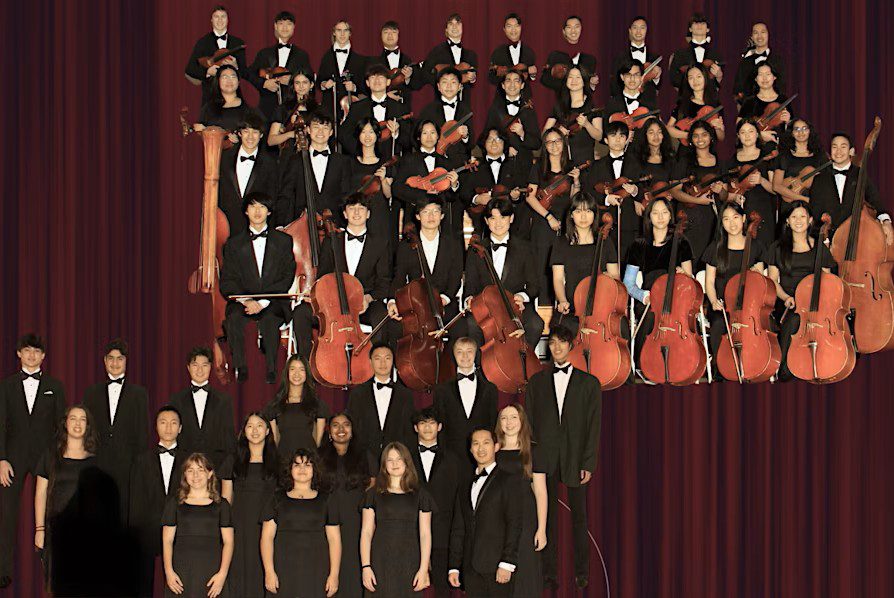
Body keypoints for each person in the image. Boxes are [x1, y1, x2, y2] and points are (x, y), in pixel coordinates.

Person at [524, 326, 602, 589]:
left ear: (571, 346)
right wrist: (534, 461)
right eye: (553, 343)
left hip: (575, 459)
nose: (556, 348)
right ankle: (549, 573)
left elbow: (594, 426)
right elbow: (530, 424)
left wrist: (588, 463)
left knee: (580, 518)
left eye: (561, 343)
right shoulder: (536, 382)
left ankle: (582, 572)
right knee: (546, 518)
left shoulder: (589, 383)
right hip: (544, 460)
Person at [0, 333, 66, 589]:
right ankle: (3, 570)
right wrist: (2, 459)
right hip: (12, 459)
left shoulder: (55, 386)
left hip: (46, 456)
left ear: (43, 356)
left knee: (51, 512)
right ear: (19, 353)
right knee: (6, 513)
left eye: (36, 351)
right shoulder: (5, 386)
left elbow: (62, 425)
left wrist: (57, 459)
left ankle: (53, 569)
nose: (31, 355)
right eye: (27, 350)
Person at [292, 193, 393, 356]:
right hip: (334, 303)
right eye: (352, 208)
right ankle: (308, 365)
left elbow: (384, 281)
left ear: (368, 214)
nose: (357, 212)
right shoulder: (332, 240)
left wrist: (367, 298)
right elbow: (323, 277)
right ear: (345, 214)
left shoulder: (380, 243)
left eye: (361, 208)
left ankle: (372, 370)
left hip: (364, 305)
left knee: (381, 317)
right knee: (301, 313)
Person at [219, 191, 297, 384]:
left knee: (270, 319)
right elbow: (228, 280)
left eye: (262, 207)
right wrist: (247, 301)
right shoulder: (233, 244)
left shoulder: (283, 241)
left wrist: (262, 302)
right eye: (253, 206)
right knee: (234, 319)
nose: (257, 211)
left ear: (269, 212)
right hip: (244, 301)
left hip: (273, 300)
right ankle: (240, 367)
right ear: (246, 211)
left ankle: (272, 369)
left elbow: (287, 276)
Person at [447, 427, 522, 597]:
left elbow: (515, 523)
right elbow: (459, 528)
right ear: (471, 449)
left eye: (486, 443)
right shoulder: (465, 483)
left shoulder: (509, 479)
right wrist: (454, 566)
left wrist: (507, 562)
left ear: (496, 446)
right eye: (476, 444)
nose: (481, 448)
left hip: (498, 566)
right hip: (471, 568)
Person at [765, 202, 836, 380]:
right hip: (789, 301)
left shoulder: (820, 247)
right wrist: (786, 297)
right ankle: (786, 372)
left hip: (816, 301)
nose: (798, 221)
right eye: (794, 217)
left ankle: (827, 366)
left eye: (802, 216)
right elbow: (773, 281)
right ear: (787, 221)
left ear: (810, 220)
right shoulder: (777, 248)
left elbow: (827, 280)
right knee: (795, 319)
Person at [81, 338, 148, 522]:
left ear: (126, 361)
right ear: (104, 361)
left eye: (119, 359)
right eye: (111, 358)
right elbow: (86, 431)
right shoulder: (91, 393)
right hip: (98, 463)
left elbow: (142, 433)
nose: (115, 363)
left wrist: (139, 468)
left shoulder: (139, 394)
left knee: (124, 515)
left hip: (128, 466)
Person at [33, 405, 99, 592]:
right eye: (73, 418)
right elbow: (40, 493)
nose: (77, 423)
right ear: (65, 423)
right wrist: (40, 529)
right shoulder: (51, 455)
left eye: (82, 419)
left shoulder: (96, 459)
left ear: (88, 426)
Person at [463, 197, 545, 348]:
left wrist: (522, 296)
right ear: (487, 221)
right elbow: (470, 285)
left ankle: (523, 363)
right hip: (487, 307)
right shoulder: (476, 249)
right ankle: (481, 368)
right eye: (493, 218)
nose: (498, 223)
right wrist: (469, 299)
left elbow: (534, 285)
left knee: (535, 324)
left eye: (503, 217)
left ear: (511, 218)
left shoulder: (525, 248)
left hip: (515, 306)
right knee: (470, 324)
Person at [260, 448, 341, 598]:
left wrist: (334, 574)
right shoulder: (276, 498)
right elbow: (267, 537)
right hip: (283, 568)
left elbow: (334, 539)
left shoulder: (327, 499)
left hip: (318, 570)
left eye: (307, 465)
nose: (302, 469)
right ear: (289, 469)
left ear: (315, 469)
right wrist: (269, 572)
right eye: (297, 465)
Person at [623, 198, 695, 363]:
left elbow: (690, 281)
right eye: (655, 213)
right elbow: (628, 284)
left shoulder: (681, 242)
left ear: (670, 216)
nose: (660, 217)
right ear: (649, 217)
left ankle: (681, 360)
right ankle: (646, 362)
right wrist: (643, 296)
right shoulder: (638, 245)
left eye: (664, 212)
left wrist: (683, 274)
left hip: (676, 298)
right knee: (649, 316)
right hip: (650, 299)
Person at [360, 442, 435, 596]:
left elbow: (425, 534)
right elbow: (366, 533)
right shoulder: (372, 494)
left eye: (399, 459)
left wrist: (423, 569)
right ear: (384, 464)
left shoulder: (421, 495)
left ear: (407, 462)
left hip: (410, 562)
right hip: (379, 561)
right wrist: (366, 566)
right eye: (390, 460)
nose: (394, 464)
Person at [387, 197, 465, 345]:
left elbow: (455, 277)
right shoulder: (406, 245)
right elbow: (399, 277)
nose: (431, 216)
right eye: (426, 212)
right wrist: (392, 301)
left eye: (435, 212)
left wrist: (444, 298)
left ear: (442, 215)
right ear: (418, 216)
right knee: (394, 327)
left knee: (460, 328)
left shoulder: (453, 244)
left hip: (444, 303)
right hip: (415, 303)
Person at [129, 406, 185, 598]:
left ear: (180, 428)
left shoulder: (190, 460)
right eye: (163, 422)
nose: (168, 428)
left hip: (182, 531)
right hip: (148, 530)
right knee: (143, 585)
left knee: (179, 585)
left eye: (173, 423)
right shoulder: (141, 460)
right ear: (156, 427)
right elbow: (136, 500)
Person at [162, 452, 234, 598]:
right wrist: (169, 572)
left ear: (210, 474)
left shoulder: (222, 505)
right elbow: (167, 540)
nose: (195, 475)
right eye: (190, 470)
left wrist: (222, 575)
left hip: (212, 571)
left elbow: (228, 542)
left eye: (200, 470)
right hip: (181, 573)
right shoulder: (174, 503)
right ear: (185, 475)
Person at [495, 404, 548, 598]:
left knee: (526, 571)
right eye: (504, 418)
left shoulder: (534, 451)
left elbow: (541, 492)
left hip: (526, 518)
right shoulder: (492, 451)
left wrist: (541, 529)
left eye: (513, 417)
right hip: (499, 518)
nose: (509, 423)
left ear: (522, 421)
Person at [319, 412, 374, 598]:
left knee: (353, 572)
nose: (341, 429)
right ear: (329, 431)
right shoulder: (318, 456)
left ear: (352, 430)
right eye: (335, 425)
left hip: (356, 522)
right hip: (326, 523)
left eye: (346, 424)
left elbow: (374, 489)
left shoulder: (365, 455)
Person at [703, 203, 767, 361]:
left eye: (736, 217)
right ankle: (720, 369)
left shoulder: (756, 246)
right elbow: (709, 282)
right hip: (722, 305)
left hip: (749, 304)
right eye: (726, 219)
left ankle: (754, 362)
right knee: (718, 324)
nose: (732, 223)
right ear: (722, 223)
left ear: (744, 219)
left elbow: (761, 283)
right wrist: (713, 301)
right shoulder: (715, 248)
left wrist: (757, 274)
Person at [408, 408, 461, 598]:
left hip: (443, 533)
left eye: (431, 423)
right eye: (422, 423)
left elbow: (458, 498)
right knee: (409, 586)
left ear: (439, 427)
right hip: (410, 533)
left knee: (442, 589)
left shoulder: (454, 459)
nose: (427, 427)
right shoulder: (404, 460)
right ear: (415, 428)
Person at [525, 129, 582, 303]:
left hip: (566, 223)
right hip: (543, 223)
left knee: (565, 266)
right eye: (550, 142)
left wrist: (577, 181)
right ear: (545, 146)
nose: (554, 145)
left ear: (563, 143)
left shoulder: (571, 166)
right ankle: (544, 310)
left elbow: (574, 199)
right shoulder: (538, 167)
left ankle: (564, 307)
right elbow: (530, 196)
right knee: (543, 267)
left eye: (558, 140)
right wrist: (548, 216)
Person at [551, 192, 621, 333]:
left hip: (601, 306)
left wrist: (608, 276)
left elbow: (615, 276)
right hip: (571, 307)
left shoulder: (605, 241)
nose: (583, 217)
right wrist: (562, 300)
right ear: (571, 215)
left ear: (595, 214)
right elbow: (558, 279)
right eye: (578, 211)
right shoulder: (561, 243)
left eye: (588, 211)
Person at [229, 413, 278, 598]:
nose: (255, 430)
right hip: (240, 528)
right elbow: (226, 500)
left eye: (260, 425)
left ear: (267, 431)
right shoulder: (233, 461)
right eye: (250, 426)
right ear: (244, 431)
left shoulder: (278, 463)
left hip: (269, 529)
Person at [433, 337, 499, 474]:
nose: (465, 356)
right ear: (453, 355)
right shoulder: (441, 390)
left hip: (482, 457)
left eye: (469, 351)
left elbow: (492, 423)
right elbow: (440, 426)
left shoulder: (490, 389)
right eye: (460, 352)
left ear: (476, 354)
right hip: (452, 459)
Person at [808, 132, 892, 235]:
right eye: (834, 147)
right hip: (828, 237)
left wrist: (886, 220)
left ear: (851, 151)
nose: (838, 151)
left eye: (843, 147)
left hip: (857, 235)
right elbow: (815, 208)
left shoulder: (860, 174)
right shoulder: (819, 178)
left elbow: (875, 199)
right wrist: (823, 222)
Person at [392, 120, 465, 237]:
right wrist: (424, 194)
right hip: (414, 217)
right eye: (424, 133)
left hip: (440, 219)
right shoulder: (408, 159)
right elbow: (397, 189)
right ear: (418, 137)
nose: (429, 137)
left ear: (438, 136)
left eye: (432, 132)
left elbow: (451, 197)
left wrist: (454, 185)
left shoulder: (446, 162)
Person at [167, 347, 236, 470]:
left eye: (204, 365)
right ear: (188, 367)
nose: (200, 370)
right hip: (185, 468)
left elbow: (229, 439)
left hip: (216, 469)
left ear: (210, 367)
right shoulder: (176, 400)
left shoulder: (224, 400)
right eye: (195, 365)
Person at [671, 121, 729, 265]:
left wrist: (720, 190)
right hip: (689, 217)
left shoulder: (720, 162)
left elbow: (725, 196)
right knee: (690, 257)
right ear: (691, 139)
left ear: (711, 137)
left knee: (709, 260)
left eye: (704, 135)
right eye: (695, 136)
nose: (700, 139)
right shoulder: (684, 161)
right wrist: (697, 201)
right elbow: (674, 191)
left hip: (712, 218)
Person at [277, 110, 352, 221]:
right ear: (308, 130)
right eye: (316, 127)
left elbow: (346, 195)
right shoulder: (296, 160)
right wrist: (280, 224)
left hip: (334, 225)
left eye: (325, 128)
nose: (320, 132)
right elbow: (285, 195)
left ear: (331, 132)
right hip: (302, 224)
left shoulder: (342, 161)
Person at [587, 120, 644, 261]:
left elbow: (645, 188)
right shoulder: (597, 166)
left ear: (627, 139)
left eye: (622, 136)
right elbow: (589, 192)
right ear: (606, 140)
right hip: (605, 222)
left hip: (630, 222)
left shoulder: (636, 163)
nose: (618, 140)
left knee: (629, 260)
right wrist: (606, 199)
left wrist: (636, 191)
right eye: (613, 136)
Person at [346, 343, 415, 459]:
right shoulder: (357, 393)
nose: (383, 363)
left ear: (393, 361)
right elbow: (353, 427)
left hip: (396, 459)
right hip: (364, 459)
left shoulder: (405, 395)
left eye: (387, 358)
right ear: (370, 361)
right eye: (378, 358)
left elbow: (409, 431)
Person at [217, 112, 280, 234]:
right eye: (246, 131)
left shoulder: (270, 163)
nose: (250, 137)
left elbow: (273, 197)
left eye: (255, 132)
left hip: (257, 228)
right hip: (227, 226)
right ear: (239, 133)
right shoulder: (224, 158)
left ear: (261, 135)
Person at [247, 11, 312, 123]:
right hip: (267, 108)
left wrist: (292, 80)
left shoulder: (302, 55)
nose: (285, 27)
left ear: (294, 27)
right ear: (275, 26)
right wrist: (264, 83)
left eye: (289, 24)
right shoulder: (264, 53)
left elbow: (309, 79)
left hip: (292, 108)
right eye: (281, 23)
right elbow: (249, 74)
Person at [461, 126, 529, 234]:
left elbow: (523, 190)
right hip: (483, 225)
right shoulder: (475, 168)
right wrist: (477, 199)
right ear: (484, 143)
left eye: (498, 139)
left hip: (513, 226)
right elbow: (464, 193)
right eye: (490, 139)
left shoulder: (516, 166)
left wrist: (516, 197)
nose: (494, 143)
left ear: (504, 143)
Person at [345, 117, 400, 249]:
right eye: (363, 132)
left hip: (380, 216)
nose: (367, 136)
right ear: (358, 136)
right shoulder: (349, 163)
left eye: (371, 132)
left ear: (377, 135)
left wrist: (383, 180)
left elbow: (389, 195)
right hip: (357, 217)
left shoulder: (385, 162)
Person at [263, 355, 329, 462]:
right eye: (292, 369)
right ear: (287, 373)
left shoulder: (316, 404)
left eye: (301, 369)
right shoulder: (276, 404)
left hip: (308, 462)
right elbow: (275, 439)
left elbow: (318, 440)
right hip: (283, 460)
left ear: (307, 374)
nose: (296, 374)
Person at [339, 64, 413, 158]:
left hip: (392, 163)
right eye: (373, 77)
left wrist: (397, 133)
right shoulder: (357, 107)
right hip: (364, 162)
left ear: (388, 82)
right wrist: (359, 152)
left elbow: (410, 139)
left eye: (381, 77)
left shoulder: (401, 108)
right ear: (367, 83)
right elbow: (344, 134)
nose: (377, 80)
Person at [727, 119, 779, 247]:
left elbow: (775, 189)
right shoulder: (732, 160)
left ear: (757, 134)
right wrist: (733, 196)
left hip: (764, 209)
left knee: (764, 247)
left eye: (751, 131)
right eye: (743, 132)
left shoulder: (767, 157)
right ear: (738, 136)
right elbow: (729, 187)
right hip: (741, 210)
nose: (747, 135)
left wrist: (761, 180)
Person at [184, 5, 247, 108]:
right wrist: (207, 72)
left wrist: (236, 66)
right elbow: (190, 69)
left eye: (223, 16)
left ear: (228, 20)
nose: (220, 20)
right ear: (211, 20)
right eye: (216, 17)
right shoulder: (202, 42)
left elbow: (244, 72)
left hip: (234, 99)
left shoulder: (238, 43)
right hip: (210, 98)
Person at [543, 66, 601, 164]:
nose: (574, 80)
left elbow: (599, 136)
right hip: (563, 161)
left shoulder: (592, 104)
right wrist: (557, 132)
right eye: (570, 77)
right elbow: (544, 133)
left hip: (585, 160)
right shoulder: (559, 105)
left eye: (578, 77)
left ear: (584, 81)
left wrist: (587, 124)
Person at [483, 70, 542, 166]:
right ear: (503, 85)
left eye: (516, 81)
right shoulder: (495, 109)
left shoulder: (528, 110)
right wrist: (505, 149)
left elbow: (537, 143)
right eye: (508, 81)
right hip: (501, 164)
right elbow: (486, 138)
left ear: (522, 85)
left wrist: (522, 134)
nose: (512, 85)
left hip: (524, 165)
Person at [416, 67, 475, 161]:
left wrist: (465, 136)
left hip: (459, 161)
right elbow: (416, 138)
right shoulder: (428, 110)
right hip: (434, 161)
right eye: (444, 82)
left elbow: (471, 143)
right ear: (438, 87)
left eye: (453, 82)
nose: (449, 86)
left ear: (460, 86)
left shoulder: (466, 110)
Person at [421, 13, 478, 107]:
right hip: (440, 105)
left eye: (458, 23)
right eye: (451, 24)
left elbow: (472, 79)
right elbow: (425, 74)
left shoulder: (471, 55)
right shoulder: (436, 52)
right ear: (446, 29)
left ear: (462, 27)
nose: (454, 26)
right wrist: (442, 82)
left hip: (464, 106)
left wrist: (472, 78)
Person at [317, 20, 367, 124]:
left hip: (351, 108)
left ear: (350, 33)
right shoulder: (326, 57)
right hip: (329, 108)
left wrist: (354, 87)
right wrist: (324, 84)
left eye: (345, 30)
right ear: (334, 33)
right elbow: (319, 82)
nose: (342, 34)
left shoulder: (360, 60)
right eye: (339, 30)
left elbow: (366, 86)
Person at [266, 68, 320, 160]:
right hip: (289, 156)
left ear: (311, 85)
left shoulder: (318, 109)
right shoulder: (283, 108)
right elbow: (271, 141)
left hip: (313, 154)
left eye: (305, 82)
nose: (301, 86)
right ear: (293, 86)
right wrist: (290, 134)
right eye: (297, 83)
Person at [666, 63, 725, 144]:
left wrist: (718, 129)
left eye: (699, 76)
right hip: (687, 150)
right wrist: (689, 135)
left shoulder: (716, 103)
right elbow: (669, 128)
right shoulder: (682, 102)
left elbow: (721, 138)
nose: (695, 81)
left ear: (705, 78)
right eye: (691, 78)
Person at [771, 118, 825, 204]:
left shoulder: (820, 155)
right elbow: (776, 186)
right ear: (792, 133)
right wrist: (803, 199)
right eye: (797, 129)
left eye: (804, 128)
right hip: (790, 205)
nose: (801, 132)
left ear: (809, 131)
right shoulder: (784, 156)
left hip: (816, 202)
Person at [197, 64, 262, 135]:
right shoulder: (209, 108)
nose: (229, 80)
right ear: (218, 81)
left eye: (233, 77)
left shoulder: (249, 107)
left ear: (238, 82)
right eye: (225, 77)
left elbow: (260, 130)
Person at [541, 15, 598, 93]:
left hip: (583, 101)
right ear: (564, 31)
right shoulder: (555, 55)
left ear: (582, 29)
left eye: (577, 27)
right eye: (569, 27)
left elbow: (590, 88)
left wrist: (592, 84)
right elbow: (545, 79)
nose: (573, 31)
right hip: (560, 101)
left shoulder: (590, 58)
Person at [737, 63, 792, 144]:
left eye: (768, 74)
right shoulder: (749, 101)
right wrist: (759, 134)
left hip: (780, 146)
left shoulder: (783, 100)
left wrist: (788, 122)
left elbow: (793, 129)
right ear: (756, 78)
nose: (764, 78)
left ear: (774, 77)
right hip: (755, 148)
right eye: (760, 74)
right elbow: (739, 127)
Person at [609, 16, 662, 101]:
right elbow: (614, 82)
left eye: (642, 28)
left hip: (649, 101)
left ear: (647, 30)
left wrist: (656, 78)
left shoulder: (655, 57)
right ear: (630, 30)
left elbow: (661, 86)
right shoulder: (619, 57)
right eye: (635, 27)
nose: (638, 31)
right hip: (624, 102)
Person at [487, 13, 538, 99]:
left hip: (525, 99)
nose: (513, 30)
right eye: (509, 26)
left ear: (521, 28)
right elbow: (491, 78)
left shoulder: (529, 51)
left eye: (516, 26)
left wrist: (532, 75)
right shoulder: (497, 52)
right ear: (504, 29)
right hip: (502, 99)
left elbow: (532, 78)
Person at [668, 12, 724, 91]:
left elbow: (721, 82)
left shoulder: (716, 54)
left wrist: (719, 76)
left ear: (708, 29)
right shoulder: (680, 54)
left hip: (710, 98)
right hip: (686, 98)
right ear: (690, 29)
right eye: (695, 23)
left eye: (703, 23)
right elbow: (673, 79)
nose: (699, 25)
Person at [733, 22, 786, 101]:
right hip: (750, 110)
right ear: (752, 37)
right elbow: (738, 92)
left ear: (768, 35)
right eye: (755, 33)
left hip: (773, 108)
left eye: (763, 32)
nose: (759, 36)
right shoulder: (744, 63)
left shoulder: (778, 60)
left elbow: (782, 88)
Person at [372, 21, 420, 104]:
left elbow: (416, 85)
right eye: (386, 32)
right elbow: (368, 84)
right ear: (381, 35)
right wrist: (385, 95)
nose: (390, 35)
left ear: (398, 35)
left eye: (393, 32)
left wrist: (408, 78)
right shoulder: (374, 60)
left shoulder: (408, 59)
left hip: (403, 106)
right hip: (381, 105)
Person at [600, 58, 659, 123]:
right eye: (628, 75)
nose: (632, 79)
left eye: (636, 75)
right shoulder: (612, 104)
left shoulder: (651, 102)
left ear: (641, 77)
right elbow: (607, 130)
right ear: (622, 77)